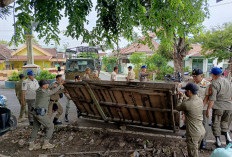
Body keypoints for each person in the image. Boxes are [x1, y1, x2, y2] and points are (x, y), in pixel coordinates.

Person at [28, 79, 64, 151]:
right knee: (50, 126)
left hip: (35, 112)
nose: (48, 85)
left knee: (35, 128)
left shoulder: (39, 90)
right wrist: (59, 85)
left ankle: (31, 144)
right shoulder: (44, 93)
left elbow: (48, 88)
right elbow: (54, 91)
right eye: (46, 84)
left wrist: (52, 85)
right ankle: (46, 144)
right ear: (43, 86)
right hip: (40, 114)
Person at [177, 83, 205, 157]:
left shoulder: (187, 104)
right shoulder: (200, 100)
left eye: (185, 90)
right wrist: (184, 97)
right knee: (195, 150)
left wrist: (180, 98)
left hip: (193, 134)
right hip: (201, 131)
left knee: (193, 154)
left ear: (189, 91)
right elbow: (190, 103)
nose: (185, 92)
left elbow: (178, 107)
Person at [206, 67, 232, 147]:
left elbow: (212, 98)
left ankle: (218, 142)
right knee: (225, 123)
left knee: (216, 123)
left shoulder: (214, 83)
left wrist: (208, 109)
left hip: (219, 107)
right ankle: (228, 139)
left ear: (214, 75)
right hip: (229, 106)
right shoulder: (227, 81)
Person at [191, 69, 210, 149]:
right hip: (193, 107)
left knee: (204, 123)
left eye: (196, 76)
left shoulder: (207, 84)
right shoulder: (192, 84)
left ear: (201, 76)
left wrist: (202, 106)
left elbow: (207, 96)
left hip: (203, 108)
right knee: (194, 123)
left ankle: (204, 140)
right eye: (193, 76)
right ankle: (195, 138)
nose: (194, 78)